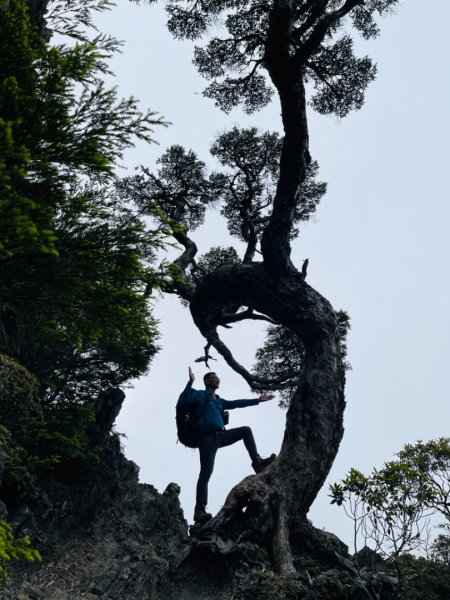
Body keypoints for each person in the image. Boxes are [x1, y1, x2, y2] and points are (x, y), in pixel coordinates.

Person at [184, 367, 276, 525]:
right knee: (206, 472)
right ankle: (200, 509)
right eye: (213, 377)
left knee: (245, 431)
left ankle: (257, 463)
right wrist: (190, 382)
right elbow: (186, 399)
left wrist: (258, 400)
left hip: (221, 436)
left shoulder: (219, 401)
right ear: (206, 381)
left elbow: (236, 403)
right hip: (207, 438)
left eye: (218, 377)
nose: (217, 379)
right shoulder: (199, 394)